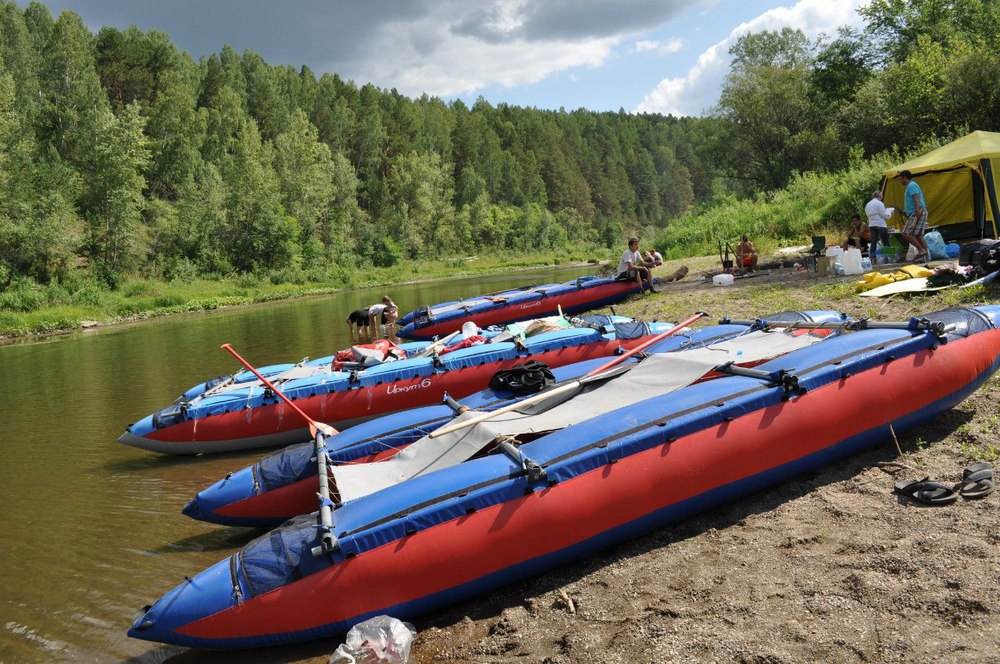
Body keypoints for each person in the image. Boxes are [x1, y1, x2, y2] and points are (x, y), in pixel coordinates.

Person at [898, 170, 929, 262]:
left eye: (901, 179)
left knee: (905, 234)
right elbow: (914, 200)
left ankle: (921, 250)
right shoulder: (912, 185)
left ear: (905, 177)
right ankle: (926, 256)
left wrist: (917, 210)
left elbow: (916, 198)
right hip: (918, 211)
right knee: (919, 235)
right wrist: (906, 211)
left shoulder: (911, 185)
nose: (900, 181)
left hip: (918, 211)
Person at [864, 189, 893, 261]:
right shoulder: (879, 203)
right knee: (885, 240)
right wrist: (890, 213)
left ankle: (873, 257)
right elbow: (883, 215)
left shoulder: (868, 204)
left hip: (872, 225)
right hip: (880, 224)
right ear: (878, 195)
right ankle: (889, 257)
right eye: (881, 195)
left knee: (873, 241)